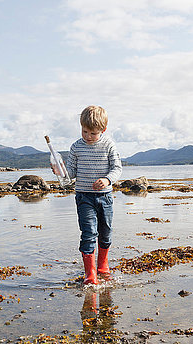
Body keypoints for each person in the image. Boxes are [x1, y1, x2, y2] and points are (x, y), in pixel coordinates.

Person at [65, 105, 122, 285]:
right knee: (89, 233)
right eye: (85, 132)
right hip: (84, 197)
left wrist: (107, 179)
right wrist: (60, 172)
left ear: (103, 130)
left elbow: (117, 168)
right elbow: (70, 173)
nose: (88, 137)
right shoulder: (76, 147)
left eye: (93, 133)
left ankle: (102, 265)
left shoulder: (109, 145)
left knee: (105, 233)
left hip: (105, 197)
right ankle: (90, 274)